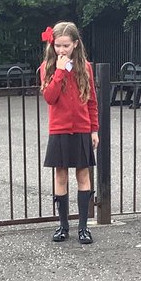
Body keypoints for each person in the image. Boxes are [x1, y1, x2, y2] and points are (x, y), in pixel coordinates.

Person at [40, 21, 99, 244]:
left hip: (82, 128)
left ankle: (83, 227)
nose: (62, 50)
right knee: (61, 175)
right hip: (59, 129)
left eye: (66, 45)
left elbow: (92, 100)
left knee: (83, 175)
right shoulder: (47, 68)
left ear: (75, 44)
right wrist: (61, 72)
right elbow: (49, 97)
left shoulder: (86, 68)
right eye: (58, 46)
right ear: (52, 45)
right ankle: (63, 226)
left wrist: (94, 129)